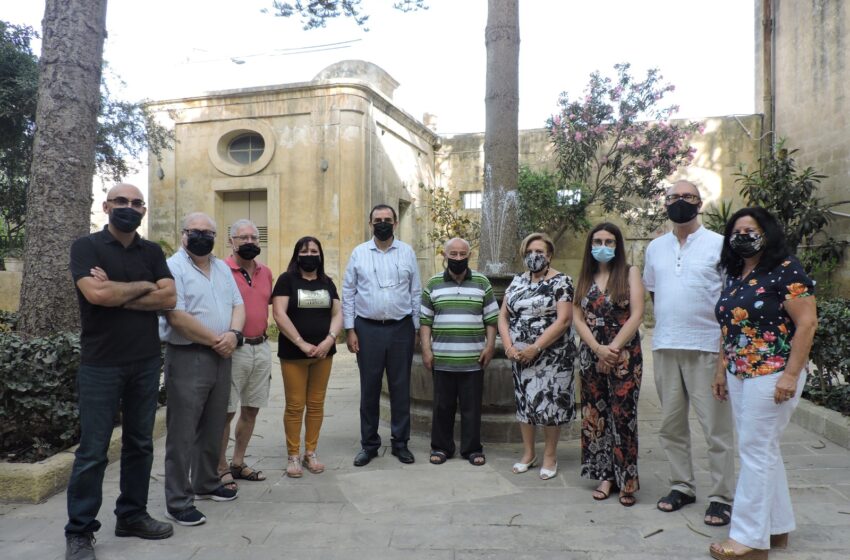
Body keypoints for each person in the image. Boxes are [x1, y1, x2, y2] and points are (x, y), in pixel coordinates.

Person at [65, 184, 176, 560]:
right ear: (106, 206)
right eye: (121, 202)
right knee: (93, 451)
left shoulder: (152, 251)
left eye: (135, 203)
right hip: (100, 363)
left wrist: (119, 290)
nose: (128, 208)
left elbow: (170, 297)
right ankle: (79, 531)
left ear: (143, 210)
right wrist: (145, 287)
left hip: (145, 361)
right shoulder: (87, 247)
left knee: (140, 444)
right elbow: (96, 297)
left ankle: (131, 515)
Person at [709, 207, 817, 560]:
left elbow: (807, 324)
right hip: (740, 373)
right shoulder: (737, 274)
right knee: (763, 449)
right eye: (736, 231)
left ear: (766, 233)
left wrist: (790, 374)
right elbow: (730, 326)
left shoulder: (786, 270)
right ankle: (776, 528)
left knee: (755, 452)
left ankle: (749, 540)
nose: (743, 236)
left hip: (772, 374)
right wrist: (720, 368)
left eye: (750, 230)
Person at [643, 179, 736, 526]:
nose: (680, 202)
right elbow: (655, 293)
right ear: (665, 203)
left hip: (708, 348)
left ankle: (721, 496)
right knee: (671, 426)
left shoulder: (720, 245)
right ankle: (682, 485)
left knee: (716, 428)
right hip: (666, 346)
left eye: (688, 197)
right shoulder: (655, 248)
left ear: (700, 203)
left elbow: (730, 300)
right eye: (673, 197)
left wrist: (724, 358)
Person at [160, 212, 245, 527]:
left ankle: (206, 483)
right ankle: (178, 501)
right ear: (183, 234)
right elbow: (176, 315)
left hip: (222, 354)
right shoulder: (173, 267)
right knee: (182, 432)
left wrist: (234, 336)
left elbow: (238, 305)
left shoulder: (222, 267)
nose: (202, 237)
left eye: (209, 232)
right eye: (196, 231)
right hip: (188, 354)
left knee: (213, 424)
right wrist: (216, 340)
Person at [343, 204, 422, 466]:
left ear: (396, 223)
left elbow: (416, 292)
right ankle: (369, 444)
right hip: (367, 329)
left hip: (401, 328)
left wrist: (417, 328)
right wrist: (350, 329)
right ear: (370, 224)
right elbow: (349, 292)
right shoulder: (359, 253)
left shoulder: (407, 252)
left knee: (401, 388)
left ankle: (400, 443)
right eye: (378, 220)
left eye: (387, 219)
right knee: (370, 388)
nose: (383, 223)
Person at [572, 223, 644, 507]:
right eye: (598, 240)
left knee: (623, 416)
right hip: (591, 354)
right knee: (595, 415)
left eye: (610, 241)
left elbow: (637, 314)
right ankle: (605, 476)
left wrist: (611, 350)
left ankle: (627, 480)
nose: (603, 245)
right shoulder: (584, 276)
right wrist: (597, 349)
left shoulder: (629, 273)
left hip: (624, 356)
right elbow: (577, 318)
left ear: (618, 246)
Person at [497, 232, 575, 480]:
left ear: (549, 254)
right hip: (520, 355)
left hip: (552, 355)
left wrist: (536, 347)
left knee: (550, 403)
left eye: (540, 251)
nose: (534, 256)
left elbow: (564, 320)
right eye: (530, 252)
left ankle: (550, 455)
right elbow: (503, 316)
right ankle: (529, 453)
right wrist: (509, 346)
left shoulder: (562, 281)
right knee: (525, 403)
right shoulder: (517, 281)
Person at [420, 237, 498, 466]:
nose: (457, 258)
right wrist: (426, 350)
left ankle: (472, 449)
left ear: (469, 256)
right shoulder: (433, 284)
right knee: (442, 407)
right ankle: (441, 447)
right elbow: (425, 321)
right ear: (444, 256)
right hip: (442, 359)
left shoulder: (482, 282)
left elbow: (491, 319)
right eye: (452, 254)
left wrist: (490, 346)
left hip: (474, 359)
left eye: (462, 254)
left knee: (472, 408)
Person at [272, 236, 342, 477]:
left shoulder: (327, 282)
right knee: (294, 405)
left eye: (314, 251)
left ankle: (310, 453)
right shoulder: (286, 280)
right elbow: (279, 314)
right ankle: (293, 455)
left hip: (323, 354)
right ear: (297, 254)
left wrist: (329, 340)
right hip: (294, 354)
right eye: (304, 251)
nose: (309, 254)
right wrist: (301, 343)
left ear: (320, 255)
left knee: (315, 405)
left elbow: (337, 313)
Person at [217, 219, 273, 487]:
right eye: (243, 238)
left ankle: (238, 462)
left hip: (261, 348)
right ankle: (220, 466)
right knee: (226, 411)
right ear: (231, 241)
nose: (249, 242)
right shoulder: (220, 271)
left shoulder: (267, 272)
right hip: (234, 350)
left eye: (253, 237)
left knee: (251, 410)